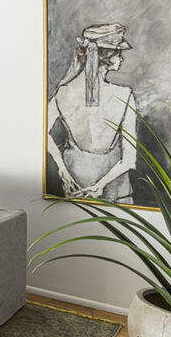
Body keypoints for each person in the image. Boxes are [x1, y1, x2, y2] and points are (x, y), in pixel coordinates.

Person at [46, 22, 137, 203]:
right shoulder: (124, 94)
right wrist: (100, 185)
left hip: (74, 183)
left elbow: (40, 132)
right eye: (119, 53)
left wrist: (62, 168)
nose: (122, 59)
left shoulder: (63, 92)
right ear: (107, 56)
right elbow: (129, 159)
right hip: (115, 189)